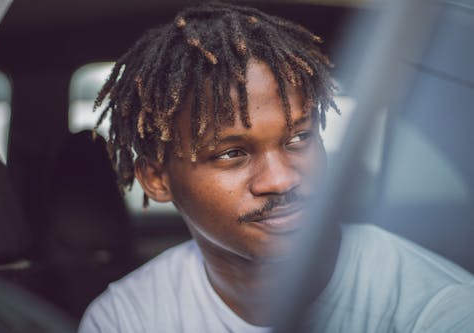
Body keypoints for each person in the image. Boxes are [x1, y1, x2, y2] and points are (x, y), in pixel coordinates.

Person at [78, 2, 474, 332]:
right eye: (232, 153)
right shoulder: (126, 320)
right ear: (155, 178)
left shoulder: (436, 309)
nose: (282, 179)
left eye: (299, 139)